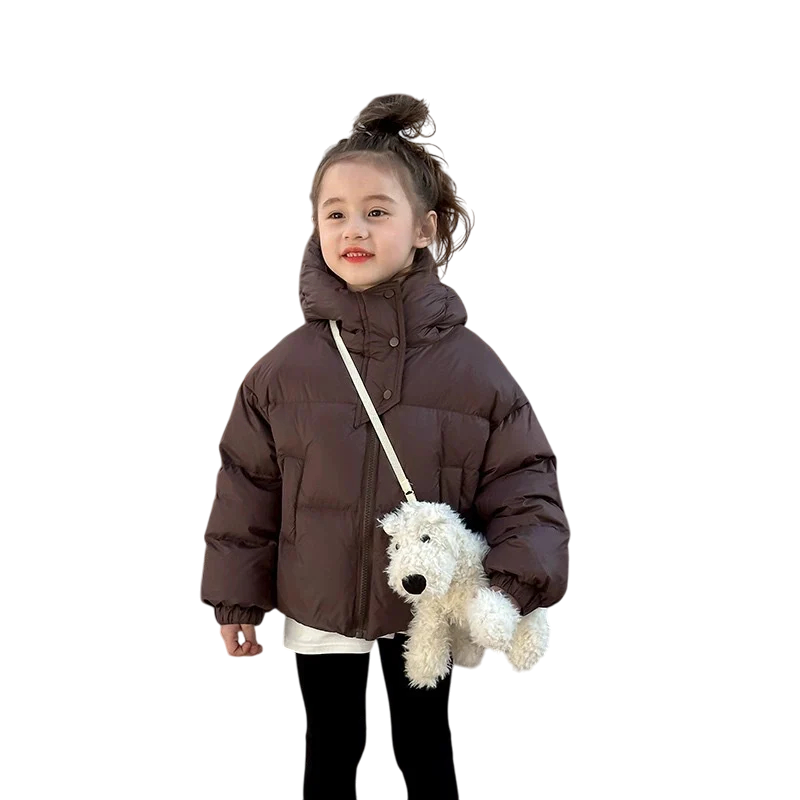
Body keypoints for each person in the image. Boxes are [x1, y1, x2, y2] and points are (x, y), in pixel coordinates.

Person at [200, 93, 571, 800]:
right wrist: (236, 597)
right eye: (334, 213)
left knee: (424, 745)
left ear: (424, 227)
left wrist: (513, 582)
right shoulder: (284, 370)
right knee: (332, 742)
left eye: (376, 211)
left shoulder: (473, 370)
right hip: (319, 588)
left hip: (426, 599)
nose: (353, 229)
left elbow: (524, 479)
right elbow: (247, 483)